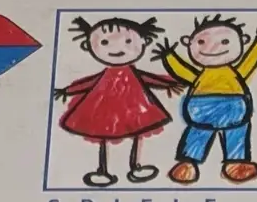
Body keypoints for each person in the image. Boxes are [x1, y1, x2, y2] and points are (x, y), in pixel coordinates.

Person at [51, 16, 183, 187]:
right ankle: (103, 170)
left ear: (144, 42)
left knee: (136, 133)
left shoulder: (132, 72)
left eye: (128, 41)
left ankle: (134, 166)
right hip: (105, 109)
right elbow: (89, 82)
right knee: (104, 137)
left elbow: (148, 78)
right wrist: (67, 91)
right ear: (88, 45)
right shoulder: (106, 75)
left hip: (135, 108)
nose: (117, 48)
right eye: (105, 42)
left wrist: (168, 83)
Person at [161, 16, 257, 183]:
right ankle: (191, 164)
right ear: (188, 42)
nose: (213, 47)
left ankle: (226, 164)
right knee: (221, 132)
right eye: (202, 42)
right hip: (220, 107)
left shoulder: (214, 75)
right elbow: (184, 72)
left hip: (215, 107)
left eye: (225, 41)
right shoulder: (225, 74)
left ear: (243, 41)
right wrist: (168, 56)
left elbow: (249, 63)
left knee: (211, 132)